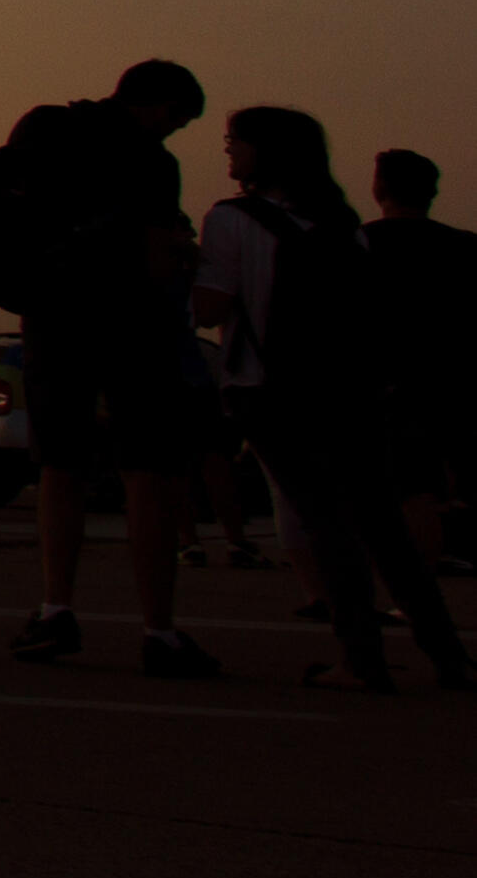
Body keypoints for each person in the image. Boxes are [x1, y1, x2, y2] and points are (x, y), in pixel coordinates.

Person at [198, 109, 467, 693]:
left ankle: (361, 658)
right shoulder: (343, 224)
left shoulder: (232, 220)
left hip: (269, 391)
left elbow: (210, 308)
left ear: (261, 152)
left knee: (326, 527)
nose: (228, 154)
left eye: (233, 143)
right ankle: (448, 654)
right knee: (384, 527)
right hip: (349, 393)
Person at [0, 59, 219, 677]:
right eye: (178, 120)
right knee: (148, 473)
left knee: (60, 466)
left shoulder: (44, 126)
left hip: (51, 315)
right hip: (132, 323)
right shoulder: (152, 163)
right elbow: (160, 264)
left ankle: (55, 608)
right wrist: (187, 261)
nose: (174, 132)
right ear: (161, 107)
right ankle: (158, 629)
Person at [364, 151, 473, 566]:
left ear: (379, 189)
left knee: (409, 486)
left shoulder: (360, 246)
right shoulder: (465, 246)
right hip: (454, 379)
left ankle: (420, 571)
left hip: (388, 382)